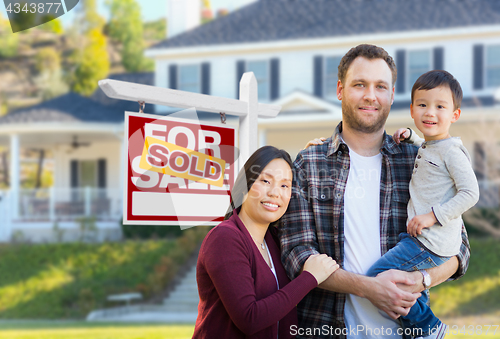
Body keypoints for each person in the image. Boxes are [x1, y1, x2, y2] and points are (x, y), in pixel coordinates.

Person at [279, 44, 471, 339]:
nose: (371, 95)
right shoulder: (309, 163)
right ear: (341, 90)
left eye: (380, 86)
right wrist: (371, 288)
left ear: (392, 95)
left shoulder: (416, 159)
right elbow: (296, 253)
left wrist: (422, 279)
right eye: (360, 85)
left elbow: (459, 246)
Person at [363, 70, 480, 339]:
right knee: (412, 289)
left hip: (429, 241)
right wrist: (412, 138)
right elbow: (430, 155)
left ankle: (428, 327)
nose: (430, 112)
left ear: (454, 115)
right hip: (421, 238)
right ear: (412, 110)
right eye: (423, 104)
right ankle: (418, 333)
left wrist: (432, 216)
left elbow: (470, 193)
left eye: (440, 106)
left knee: (378, 276)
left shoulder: (452, 151)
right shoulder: (430, 145)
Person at [193, 145, 339, 339]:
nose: (274, 192)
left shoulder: (275, 240)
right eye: (265, 181)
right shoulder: (224, 238)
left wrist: (317, 152)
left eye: (284, 185)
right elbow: (250, 319)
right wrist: (309, 278)